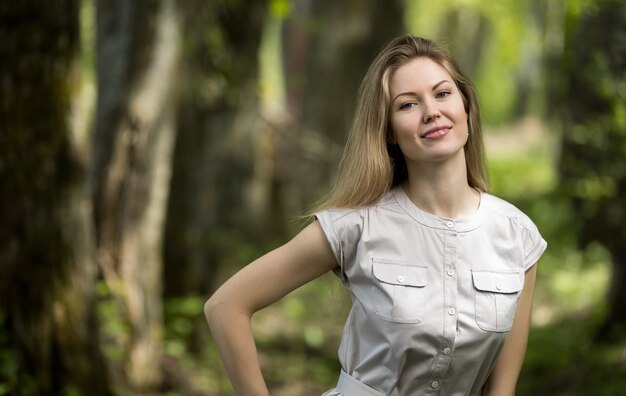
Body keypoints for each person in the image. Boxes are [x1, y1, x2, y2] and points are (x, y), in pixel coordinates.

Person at [205, 35, 547, 396]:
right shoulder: (354, 226)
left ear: (467, 108)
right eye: (408, 105)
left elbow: (501, 391)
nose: (431, 111)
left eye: (443, 94)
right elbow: (226, 306)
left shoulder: (517, 236)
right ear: (388, 131)